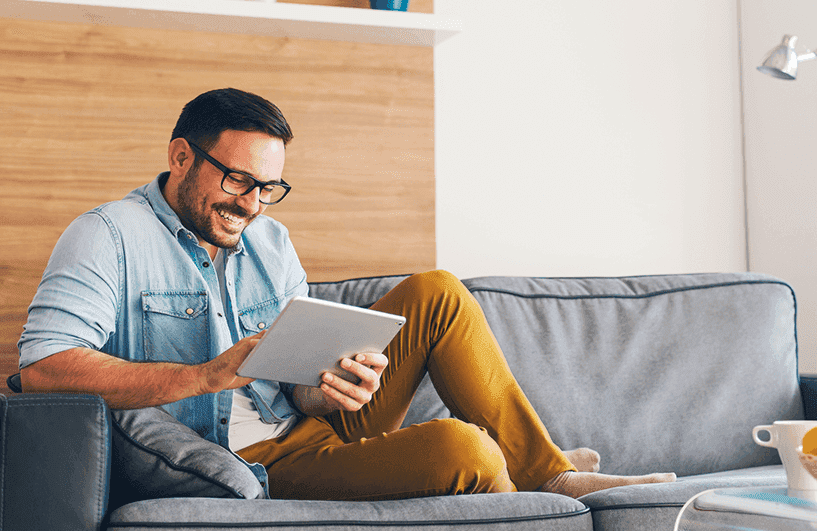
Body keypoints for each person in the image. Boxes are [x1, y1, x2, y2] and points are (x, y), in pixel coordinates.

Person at [18, 88, 675, 500]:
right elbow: (44, 370)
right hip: (250, 461)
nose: (250, 204)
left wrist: (331, 384)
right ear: (182, 157)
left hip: (310, 424)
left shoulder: (269, 241)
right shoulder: (107, 235)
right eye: (237, 181)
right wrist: (202, 375)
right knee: (465, 448)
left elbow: (298, 385)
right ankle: (528, 463)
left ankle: (549, 471)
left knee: (436, 291)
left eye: (267, 187)